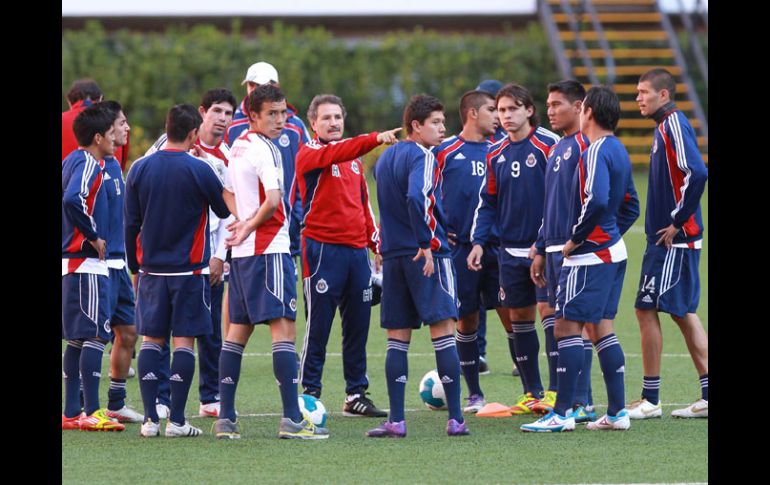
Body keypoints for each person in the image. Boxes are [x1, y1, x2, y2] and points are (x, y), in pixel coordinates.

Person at [213, 84, 328, 440]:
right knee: (284, 332)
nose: (280, 120)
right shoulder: (265, 149)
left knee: (236, 333)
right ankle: (293, 419)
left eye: (283, 113)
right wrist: (249, 223)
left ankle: (226, 418)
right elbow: (276, 200)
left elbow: (227, 192)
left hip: (244, 255)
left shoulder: (238, 147)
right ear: (254, 116)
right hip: (271, 250)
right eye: (272, 114)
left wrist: (243, 221)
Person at [521, 86, 640, 432]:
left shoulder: (593, 150)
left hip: (589, 255)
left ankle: (562, 414)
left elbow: (599, 199)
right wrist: (609, 233)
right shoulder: (616, 148)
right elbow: (630, 203)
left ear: (587, 112)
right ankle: (617, 412)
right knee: (601, 327)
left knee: (565, 326)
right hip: (611, 251)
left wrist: (577, 239)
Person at [125, 104, 231, 438]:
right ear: (191, 133)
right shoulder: (200, 169)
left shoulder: (140, 168)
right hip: (190, 272)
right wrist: (210, 163)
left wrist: (134, 267)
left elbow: (130, 224)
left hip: (151, 272)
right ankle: (178, 421)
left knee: (151, 341)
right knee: (184, 343)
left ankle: (150, 421)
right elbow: (223, 208)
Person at [367, 94, 469, 438]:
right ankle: (455, 418)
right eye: (436, 123)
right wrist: (426, 243)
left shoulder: (385, 159)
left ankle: (397, 419)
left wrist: (381, 243)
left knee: (398, 337)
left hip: (394, 256)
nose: (443, 129)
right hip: (425, 255)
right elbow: (416, 196)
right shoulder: (423, 156)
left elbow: (387, 204)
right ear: (416, 126)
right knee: (443, 332)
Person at [295, 94, 399, 417]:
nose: (333, 123)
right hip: (323, 251)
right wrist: (374, 139)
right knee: (319, 327)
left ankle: (356, 394)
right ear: (313, 123)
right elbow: (340, 150)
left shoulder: (353, 162)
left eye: (338, 117)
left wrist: (375, 243)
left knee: (358, 328)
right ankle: (309, 393)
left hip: (356, 255)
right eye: (326, 118)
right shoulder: (310, 154)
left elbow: (363, 205)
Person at [467, 83, 560, 415]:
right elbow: (487, 202)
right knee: (519, 317)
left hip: (545, 250)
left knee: (549, 315)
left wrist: (545, 243)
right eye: (501, 110)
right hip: (509, 250)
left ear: (529, 111)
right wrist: (479, 241)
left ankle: (556, 391)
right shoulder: (495, 152)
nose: (506, 116)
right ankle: (530, 392)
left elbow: (559, 201)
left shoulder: (550, 145)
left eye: (512, 109)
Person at [627, 68, 709, 420]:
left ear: (664, 95)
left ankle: (651, 398)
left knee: (664, 311)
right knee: (673, 312)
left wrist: (677, 221)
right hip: (664, 240)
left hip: (674, 240)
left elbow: (698, 172)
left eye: (644, 92)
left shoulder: (673, 123)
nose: (638, 98)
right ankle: (673, 396)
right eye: (637, 92)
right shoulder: (663, 127)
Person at [433, 89, 506, 413]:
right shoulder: (445, 150)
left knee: (514, 314)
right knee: (466, 319)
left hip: (498, 247)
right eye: (493, 110)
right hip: (460, 250)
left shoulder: (501, 149)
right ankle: (474, 393)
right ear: (473, 114)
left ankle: (533, 391)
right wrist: (438, 225)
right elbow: (425, 190)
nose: (499, 116)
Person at [62, 103, 125, 432]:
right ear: (98, 136)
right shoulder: (88, 162)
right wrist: (94, 236)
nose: (117, 137)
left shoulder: (71, 160)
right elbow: (73, 199)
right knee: (96, 335)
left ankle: (72, 412)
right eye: (112, 132)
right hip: (84, 263)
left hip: (73, 264)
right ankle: (92, 411)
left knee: (76, 338)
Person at [226, 61, 309, 267]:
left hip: (284, 225)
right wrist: (245, 218)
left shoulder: (295, 126)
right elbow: (227, 187)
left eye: (261, 85)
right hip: (244, 229)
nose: (254, 90)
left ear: (276, 86)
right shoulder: (233, 125)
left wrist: (298, 214)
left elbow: (307, 170)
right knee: (240, 289)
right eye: (251, 85)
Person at [95, 100, 144, 424]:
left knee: (128, 331)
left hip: (120, 264)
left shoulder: (114, 164)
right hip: (97, 266)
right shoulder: (89, 164)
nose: (127, 128)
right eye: (122, 123)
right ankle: (83, 407)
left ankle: (115, 402)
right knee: (93, 337)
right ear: (107, 129)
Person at [471, 79, 507, 376]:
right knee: (474, 303)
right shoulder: (457, 147)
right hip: (474, 239)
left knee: (511, 300)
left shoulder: (509, 142)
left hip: (504, 239)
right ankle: (478, 354)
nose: (498, 114)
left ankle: (520, 355)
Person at [62, 79, 130, 169]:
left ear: (70, 101)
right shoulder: (118, 121)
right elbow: (122, 164)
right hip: (110, 179)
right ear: (100, 98)